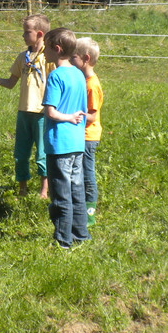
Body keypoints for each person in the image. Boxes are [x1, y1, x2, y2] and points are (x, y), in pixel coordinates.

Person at [0, 13, 50, 198]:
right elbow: (11, 82)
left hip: (42, 113)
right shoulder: (23, 57)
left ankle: (44, 191)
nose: (23, 35)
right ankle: (22, 189)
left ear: (39, 33)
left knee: (42, 154)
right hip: (23, 112)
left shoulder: (49, 57)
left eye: (26, 32)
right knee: (20, 154)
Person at [41, 27, 89, 249]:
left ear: (57, 49)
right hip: (77, 143)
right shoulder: (79, 74)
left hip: (59, 144)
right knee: (77, 191)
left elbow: (50, 112)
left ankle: (63, 240)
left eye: (46, 48)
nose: (43, 52)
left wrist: (67, 117)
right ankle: (81, 234)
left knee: (61, 194)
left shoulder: (56, 75)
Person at [71, 37, 103, 228]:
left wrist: (73, 115)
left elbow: (92, 116)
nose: (70, 60)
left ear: (86, 58)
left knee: (87, 174)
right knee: (80, 172)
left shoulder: (91, 85)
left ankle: (89, 212)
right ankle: (79, 207)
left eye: (73, 57)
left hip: (88, 137)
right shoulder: (83, 80)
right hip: (81, 135)